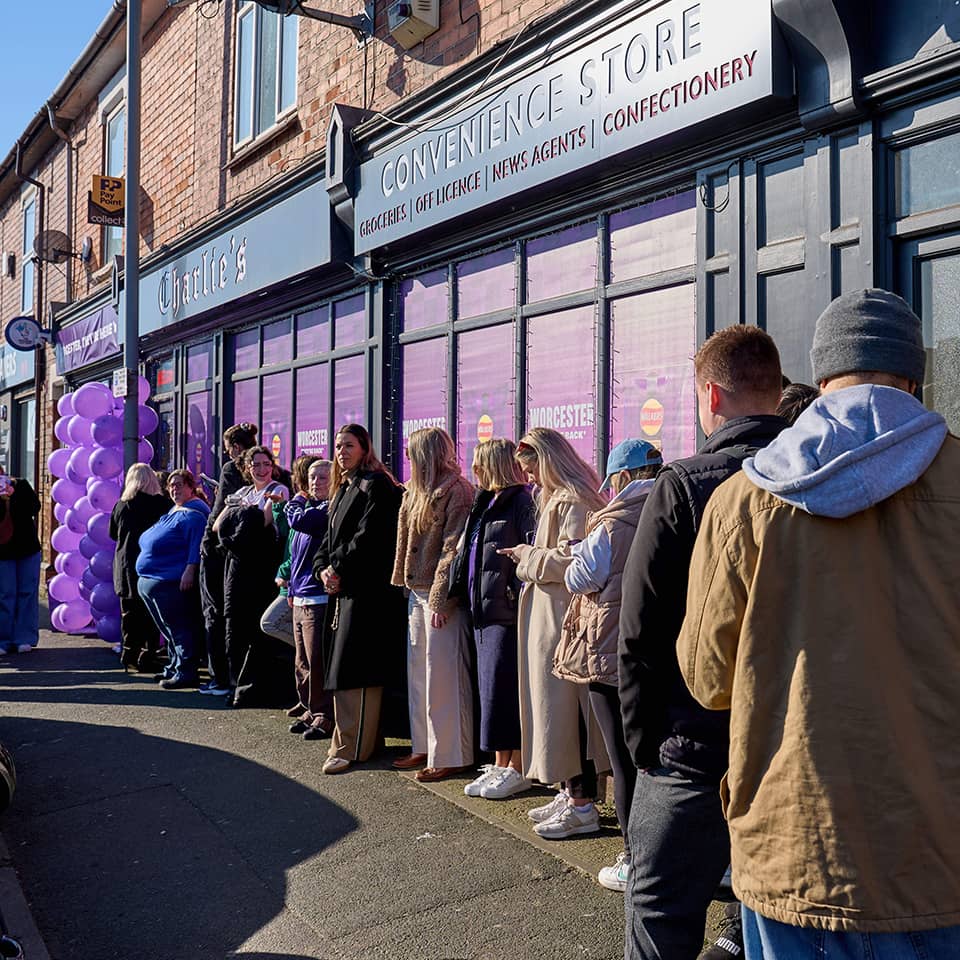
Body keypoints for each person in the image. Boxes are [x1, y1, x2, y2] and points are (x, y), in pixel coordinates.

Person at [678, 289, 960, 958]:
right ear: (913, 376)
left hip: (795, 847)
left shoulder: (742, 501)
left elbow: (708, 679)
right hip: (939, 849)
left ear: (823, 375)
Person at [619, 325, 784, 960]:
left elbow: (641, 632)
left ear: (711, 395)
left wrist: (646, 749)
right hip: (787, 749)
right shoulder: (824, 479)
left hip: (692, 749)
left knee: (659, 914)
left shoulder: (685, 485)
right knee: (771, 920)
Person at [556, 438, 662, 892]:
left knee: (623, 761)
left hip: (612, 653)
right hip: (663, 653)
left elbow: (580, 578)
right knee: (657, 760)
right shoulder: (675, 507)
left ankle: (634, 860)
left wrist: (577, 551)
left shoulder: (613, 521)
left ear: (621, 478)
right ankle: (665, 851)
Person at [499, 427, 607, 838]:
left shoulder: (574, 500)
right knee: (554, 711)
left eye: (532, 469)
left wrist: (526, 558)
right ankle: (570, 792)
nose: (529, 478)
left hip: (564, 621)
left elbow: (574, 560)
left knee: (564, 713)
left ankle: (581, 803)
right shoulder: (557, 498)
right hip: (552, 618)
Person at [313, 424, 406, 774]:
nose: (341, 451)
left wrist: (337, 569)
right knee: (342, 667)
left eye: (348, 445)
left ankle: (352, 747)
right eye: (337, 446)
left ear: (365, 447)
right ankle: (354, 740)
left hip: (367, 594)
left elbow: (369, 540)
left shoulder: (376, 485)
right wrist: (323, 568)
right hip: (343, 589)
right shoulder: (343, 488)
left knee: (358, 670)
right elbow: (328, 538)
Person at [449, 438, 536, 800]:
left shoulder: (521, 500)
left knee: (504, 691)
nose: (474, 471)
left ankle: (517, 767)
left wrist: (513, 594)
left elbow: (528, 551)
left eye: (480, 464)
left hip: (506, 612)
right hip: (482, 611)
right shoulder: (484, 502)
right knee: (490, 692)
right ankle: (500, 763)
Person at [391, 427, 475, 782]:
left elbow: (452, 548)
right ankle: (423, 745)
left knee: (443, 674)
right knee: (419, 674)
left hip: (440, 597)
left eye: (412, 452)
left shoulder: (456, 491)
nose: (407, 457)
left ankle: (451, 753)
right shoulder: (415, 489)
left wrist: (441, 596)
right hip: (417, 590)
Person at [214, 444, 290, 707]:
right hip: (236, 567)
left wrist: (239, 512)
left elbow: (265, 522)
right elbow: (217, 526)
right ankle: (235, 685)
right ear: (247, 468)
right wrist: (241, 511)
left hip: (261, 567)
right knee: (234, 627)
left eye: (266, 464)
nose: (261, 469)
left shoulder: (278, 490)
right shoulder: (242, 492)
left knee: (259, 629)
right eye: (256, 464)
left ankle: (254, 688)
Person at [136, 469, 211, 689]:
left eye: (179, 484)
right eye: (171, 485)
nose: (174, 488)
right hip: (153, 579)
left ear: (191, 487)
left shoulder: (194, 514)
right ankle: (173, 666)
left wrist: (189, 571)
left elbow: (196, 547)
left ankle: (185, 671)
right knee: (168, 630)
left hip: (171, 581)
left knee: (179, 628)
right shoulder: (175, 510)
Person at [199, 422, 259, 696]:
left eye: (227, 449)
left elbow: (222, 506)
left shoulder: (231, 469)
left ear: (235, 447)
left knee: (215, 613)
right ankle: (239, 677)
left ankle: (219, 678)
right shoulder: (266, 469)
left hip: (220, 547)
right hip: (247, 552)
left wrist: (207, 541)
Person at [284, 458, 335, 741]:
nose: (315, 482)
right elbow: (295, 557)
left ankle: (324, 715)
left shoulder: (325, 509)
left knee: (317, 661)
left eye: (322, 478)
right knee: (301, 660)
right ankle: (308, 706)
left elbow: (297, 519)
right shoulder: (311, 506)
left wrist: (295, 499)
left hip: (318, 597)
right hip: (299, 595)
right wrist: (291, 589)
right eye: (312, 478)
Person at [110, 463, 170, 671]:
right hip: (150, 562)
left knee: (128, 613)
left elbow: (112, 533)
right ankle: (148, 655)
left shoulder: (121, 505)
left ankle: (129, 654)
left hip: (124, 562)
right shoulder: (161, 504)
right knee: (151, 613)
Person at [260, 455, 319, 652]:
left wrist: (283, 572)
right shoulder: (299, 504)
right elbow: (289, 533)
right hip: (293, 583)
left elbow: (301, 548)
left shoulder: (311, 507)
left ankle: (318, 651)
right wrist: (279, 507)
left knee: (270, 622)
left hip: (299, 582)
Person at [0, 464, 41, 655]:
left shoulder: (21, 485)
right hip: (3, 551)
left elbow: (35, 507)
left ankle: (24, 638)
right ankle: (3, 640)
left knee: (27, 592)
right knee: (5, 595)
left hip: (27, 549)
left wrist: (14, 494)